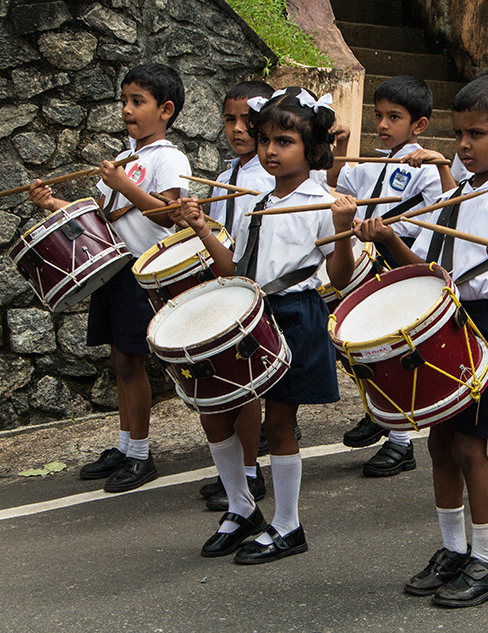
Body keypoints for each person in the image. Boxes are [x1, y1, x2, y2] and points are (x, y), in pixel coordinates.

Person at [353, 72, 488, 607]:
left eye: (477, 135)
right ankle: (454, 548)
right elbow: (428, 270)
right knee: (440, 441)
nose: (463, 146)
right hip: (447, 321)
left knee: (470, 445)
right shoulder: (455, 193)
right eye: (459, 134)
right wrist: (391, 238)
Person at [179, 87, 356, 564]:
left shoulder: (323, 202)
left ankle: (287, 523)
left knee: (280, 422)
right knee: (215, 408)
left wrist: (342, 232)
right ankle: (241, 508)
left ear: (313, 151)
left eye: (284, 142)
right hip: (248, 313)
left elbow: (339, 277)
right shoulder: (254, 200)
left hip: (296, 314)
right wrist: (200, 228)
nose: (270, 151)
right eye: (265, 141)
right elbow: (232, 268)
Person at [29, 63, 189, 492]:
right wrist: (52, 204)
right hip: (113, 271)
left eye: (138, 102)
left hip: (144, 271)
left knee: (132, 362)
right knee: (120, 362)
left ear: (166, 109)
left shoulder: (168, 157)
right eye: (124, 101)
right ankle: (125, 445)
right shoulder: (123, 159)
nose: (126, 110)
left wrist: (122, 181)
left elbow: (169, 213)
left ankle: (141, 454)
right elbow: (99, 219)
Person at [327, 75, 454, 477]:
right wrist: (342, 148)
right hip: (364, 263)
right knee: (355, 347)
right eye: (379, 116)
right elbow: (336, 184)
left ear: (419, 125)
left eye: (393, 117)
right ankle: (381, 412)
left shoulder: (428, 170)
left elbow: (436, 225)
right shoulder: (370, 162)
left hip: (397, 265)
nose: (382, 125)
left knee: (391, 352)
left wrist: (387, 235)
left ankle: (401, 442)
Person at [197, 80, 275, 513]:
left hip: (248, 283)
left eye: (249, 121)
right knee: (227, 381)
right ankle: (236, 472)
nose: (238, 129)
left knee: (245, 386)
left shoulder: (268, 176)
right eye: (230, 119)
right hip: (220, 280)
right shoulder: (226, 174)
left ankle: (249, 471)